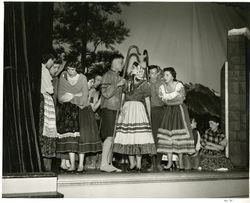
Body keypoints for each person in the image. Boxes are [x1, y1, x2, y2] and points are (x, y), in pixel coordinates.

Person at [113, 62, 156, 172]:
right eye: (138, 70)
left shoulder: (145, 84)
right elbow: (122, 97)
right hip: (128, 110)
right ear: (133, 72)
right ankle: (132, 164)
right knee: (129, 137)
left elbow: (147, 101)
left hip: (138, 110)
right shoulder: (127, 83)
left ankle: (138, 164)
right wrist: (121, 109)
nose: (141, 72)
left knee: (138, 137)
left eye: (142, 71)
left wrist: (149, 116)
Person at [157, 67, 195, 170]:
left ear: (172, 76)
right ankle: (169, 163)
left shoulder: (179, 85)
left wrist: (171, 101)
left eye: (167, 75)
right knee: (168, 137)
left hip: (179, 111)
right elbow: (164, 102)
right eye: (164, 75)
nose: (165, 77)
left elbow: (181, 100)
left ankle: (181, 162)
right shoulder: (162, 88)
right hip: (169, 112)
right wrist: (172, 100)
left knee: (179, 137)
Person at [56, 61, 88, 172]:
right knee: (70, 138)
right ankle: (72, 164)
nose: (70, 71)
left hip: (81, 110)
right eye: (68, 69)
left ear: (77, 69)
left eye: (73, 69)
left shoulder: (82, 78)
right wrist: (76, 95)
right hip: (67, 111)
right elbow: (60, 98)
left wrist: (70, 96)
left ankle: (81, 165)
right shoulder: (63, 76)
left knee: (82, 138)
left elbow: (84, 99)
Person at [99, 53, 126, 172]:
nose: (123, 64)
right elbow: (105, 93)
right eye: (121, 62)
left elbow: (121, 95)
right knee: (109, 136)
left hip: (116, 109)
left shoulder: (118, 76)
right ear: (114, 63)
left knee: (113, 137)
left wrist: (122, 108)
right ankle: (103, 164)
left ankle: (108, 163)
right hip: (108, 109)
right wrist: (117, 85)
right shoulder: (107, 76)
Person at [77, 73, 103, 172]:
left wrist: (101, 100)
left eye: (94, 81)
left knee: (86, 140)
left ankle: (85, 164)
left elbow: (93, 108)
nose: (94, 83)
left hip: (90, 117)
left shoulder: (94, 92)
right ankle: (80, 164)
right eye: (92, 81)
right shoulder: (84, 91)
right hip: (82, 116)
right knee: (81, 139)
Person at [39, 53, 57, 171]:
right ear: (49, 60)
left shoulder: (41, 69)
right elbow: (49, 89)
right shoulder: (44, 70)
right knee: (46, 133)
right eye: (53, 61)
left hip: (43, 100)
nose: (53, 64)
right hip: (45, 100)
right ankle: (47, 168)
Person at [146, 65, 165, 172]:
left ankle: (158, 163)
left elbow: (164, 99)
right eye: (151, 73)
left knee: (159, 138)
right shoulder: (146, 84)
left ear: (158, 73)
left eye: (155, 73)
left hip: (160, 111)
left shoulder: (161, 83)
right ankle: (152, 164)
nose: (153, 75)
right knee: (150, 138)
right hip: (149, 112)